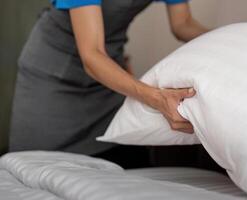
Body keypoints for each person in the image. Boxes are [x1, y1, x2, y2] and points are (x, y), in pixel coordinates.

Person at [9, 0, 209, 168]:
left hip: (110, 73)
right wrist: (156, 97)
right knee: (34, 166)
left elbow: (183, 24)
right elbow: (92, 54)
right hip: (53, 74)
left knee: (125, 159)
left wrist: (235, 37)